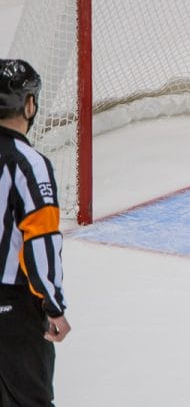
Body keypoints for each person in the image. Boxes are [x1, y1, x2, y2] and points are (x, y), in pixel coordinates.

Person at [0, 59, 70, 406]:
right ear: (29, 104)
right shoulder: (29, 163)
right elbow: (39, 240)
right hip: (13, 307)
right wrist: (52, 305)